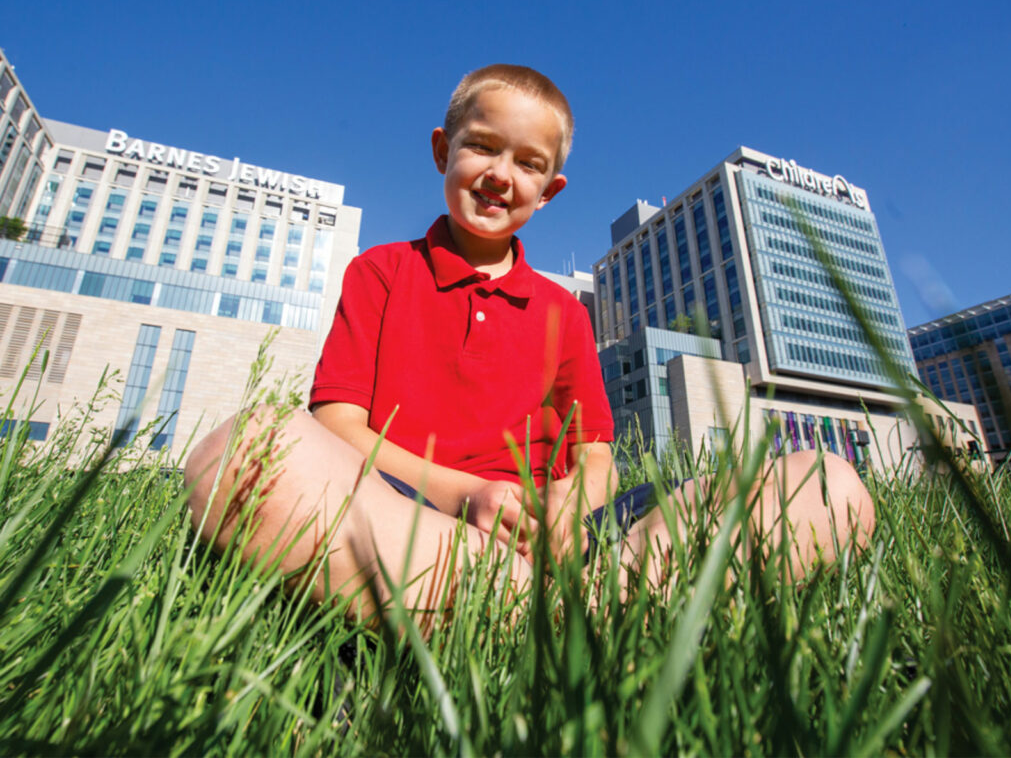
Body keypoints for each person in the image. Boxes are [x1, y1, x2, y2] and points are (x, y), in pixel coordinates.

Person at [184, 64, 875, 627]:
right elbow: (337, 427)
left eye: (528, 163)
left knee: (829, 485)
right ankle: (570, 612)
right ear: (441, 151)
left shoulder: (563, 314)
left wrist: (570, 511)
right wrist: (474, 497)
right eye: (482, 146)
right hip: (411, 512)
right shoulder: (382, 273)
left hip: (566, 533)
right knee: (241, 455)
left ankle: (593, 592)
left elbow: (596, 456)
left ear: (549, 191)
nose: (500, 174)